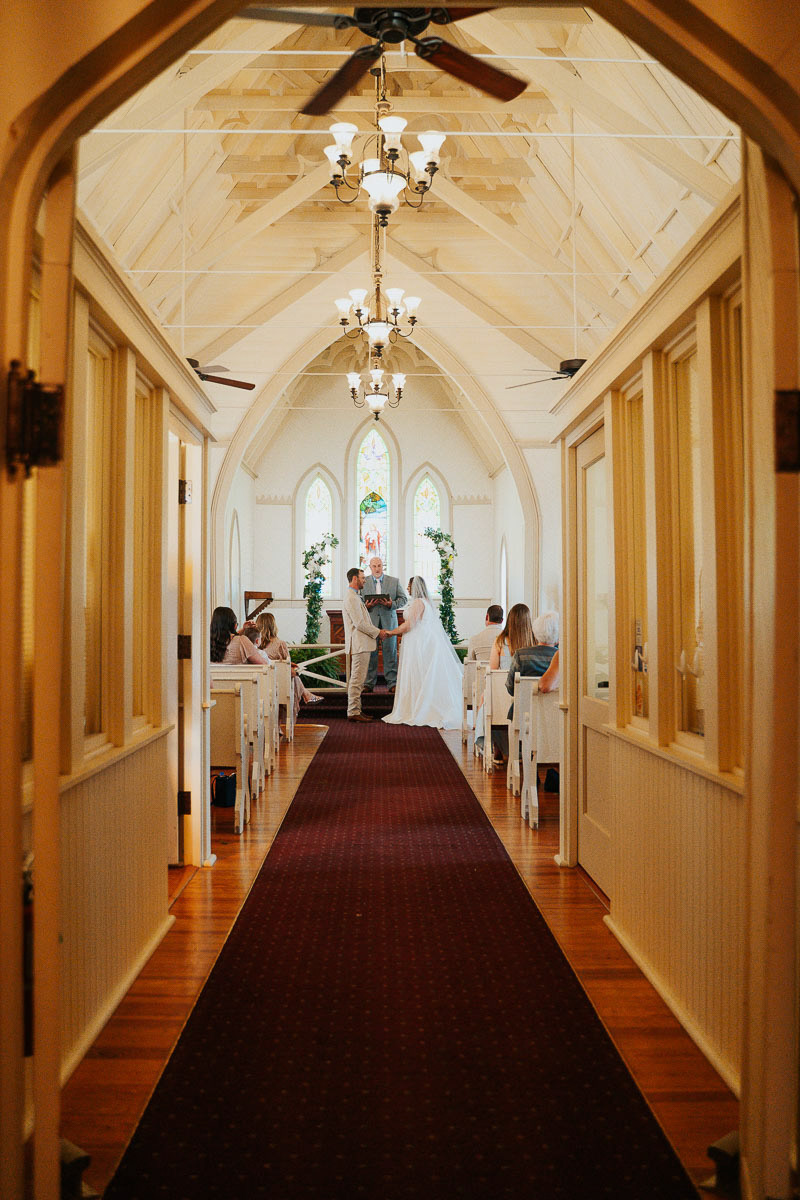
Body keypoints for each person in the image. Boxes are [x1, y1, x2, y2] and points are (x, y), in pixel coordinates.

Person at [381, 576, 463, 729]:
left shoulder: (419, 602)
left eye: (409, 585)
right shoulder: (426, 602)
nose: (407, 588)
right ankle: (418, 704)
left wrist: (391, 632)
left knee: (417, 673)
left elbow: (409, 624)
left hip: (418, 644)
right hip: (422, 641)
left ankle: (417, 707)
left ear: (415, 587)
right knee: (422, 674)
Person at [474, 603, 535, 763]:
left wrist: (484, 694)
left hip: (504, 697)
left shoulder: (500, 641)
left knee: (488, 703)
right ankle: (522, 748)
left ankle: (498, 748)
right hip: (527, 700)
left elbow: (492, 671)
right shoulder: (534, 642)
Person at [253, 611, 321, 719]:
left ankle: (306, 694)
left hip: (259, 684)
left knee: (291, 674)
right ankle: (306, 694)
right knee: (293, 675)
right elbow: (287, 667)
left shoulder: (254, 644)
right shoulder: (280, 644)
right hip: (278, 686)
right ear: (273, 625)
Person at [361, 556, 408, 693]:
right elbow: (359, 600)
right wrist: (366, 606)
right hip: (371, 623)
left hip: (389, 622)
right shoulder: (364, 581)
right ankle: (368, 683)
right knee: (371, 652)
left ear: (383, 566)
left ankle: (392, 683)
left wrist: (391, 604)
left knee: (390, 652)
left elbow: (404, 599)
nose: (377, 569)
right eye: (374, 566)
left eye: (379, 566)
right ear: (370, 567)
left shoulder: (394, 581)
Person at [342, 566, 381, 723]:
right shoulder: (351, 597)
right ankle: (353, 711)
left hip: (361, 643)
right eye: (363, 578)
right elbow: (359, 623)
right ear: (354, 579)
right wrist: (378, 632)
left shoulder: (354, 596)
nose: (365, 580)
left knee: (358, 679)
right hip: (359, 643)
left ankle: (356, 709)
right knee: (357, 679)